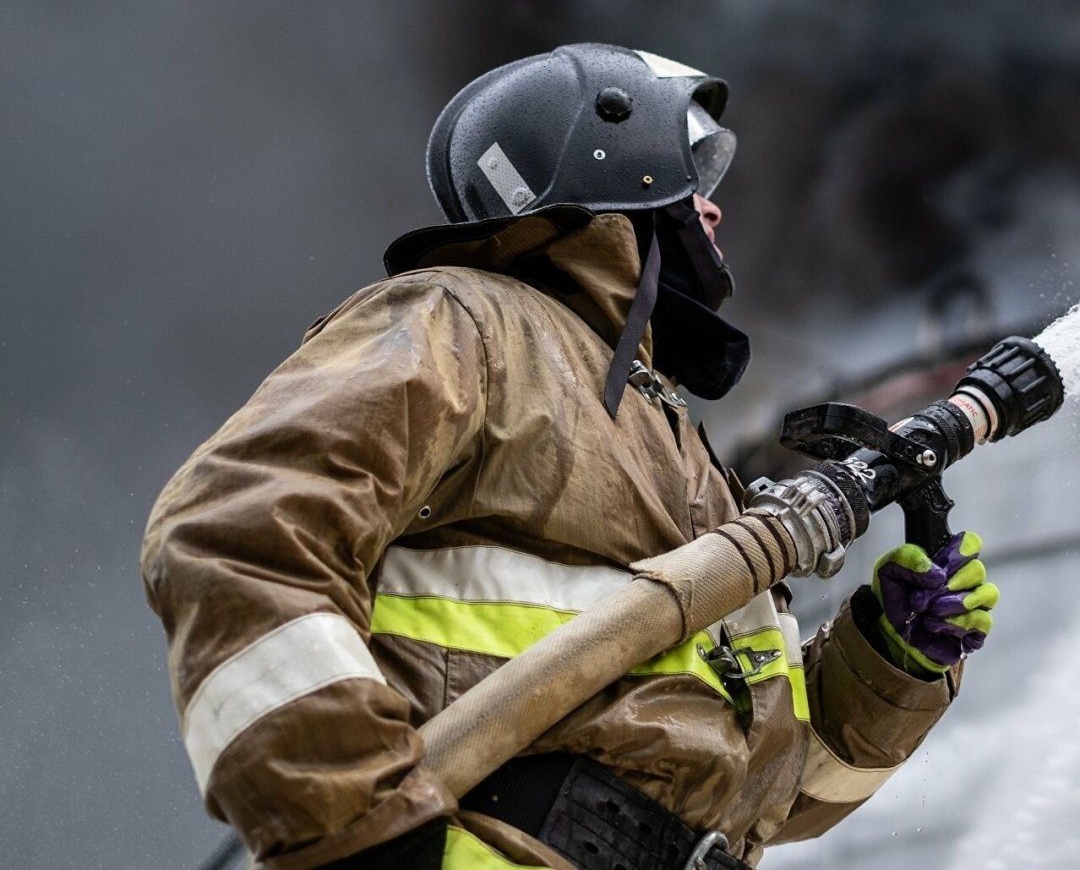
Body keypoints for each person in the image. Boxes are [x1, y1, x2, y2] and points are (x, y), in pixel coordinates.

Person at [141, 44, 999, 870]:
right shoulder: (464, 321)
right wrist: (360, 831)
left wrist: (892, 662)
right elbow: (236, 532)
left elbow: (761, 790)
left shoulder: (682, 449)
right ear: (616, 157)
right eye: (695, 167)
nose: (716, 205)